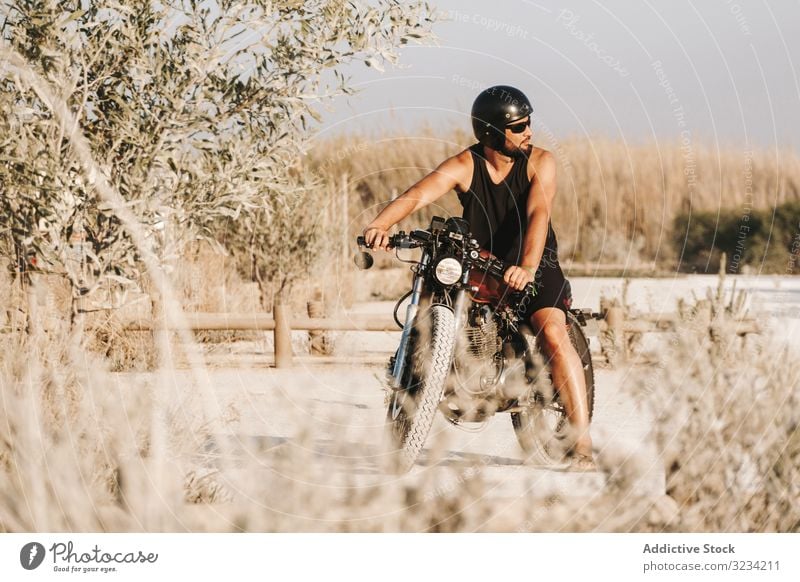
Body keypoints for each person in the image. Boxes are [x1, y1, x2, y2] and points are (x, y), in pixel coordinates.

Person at [362, 85, 594, 470]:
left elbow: (538, 213)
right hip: (482, 262)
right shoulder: (465, 165)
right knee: (433, 293)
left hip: (534, 261)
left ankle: (583, 441)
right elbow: (421, 193)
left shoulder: (541, 162)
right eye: (518, 126)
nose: (528, 131)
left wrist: (529, 267)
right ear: (491, 134)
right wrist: (381, 225)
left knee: (551, 330)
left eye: (528, 122)